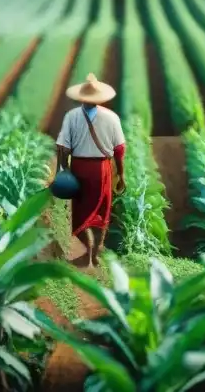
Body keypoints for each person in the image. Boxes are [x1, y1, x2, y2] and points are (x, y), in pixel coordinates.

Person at [55, 72, 126, 269]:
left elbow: (63, 147)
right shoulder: (112, 118)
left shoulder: (71, 117)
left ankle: (89, 250)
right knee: (102, 209)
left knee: (81, 212)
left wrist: (63, 169)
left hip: (80, 168)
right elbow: (119, 150)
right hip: (103, 169)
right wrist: (121, 174)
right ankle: (96, 252)